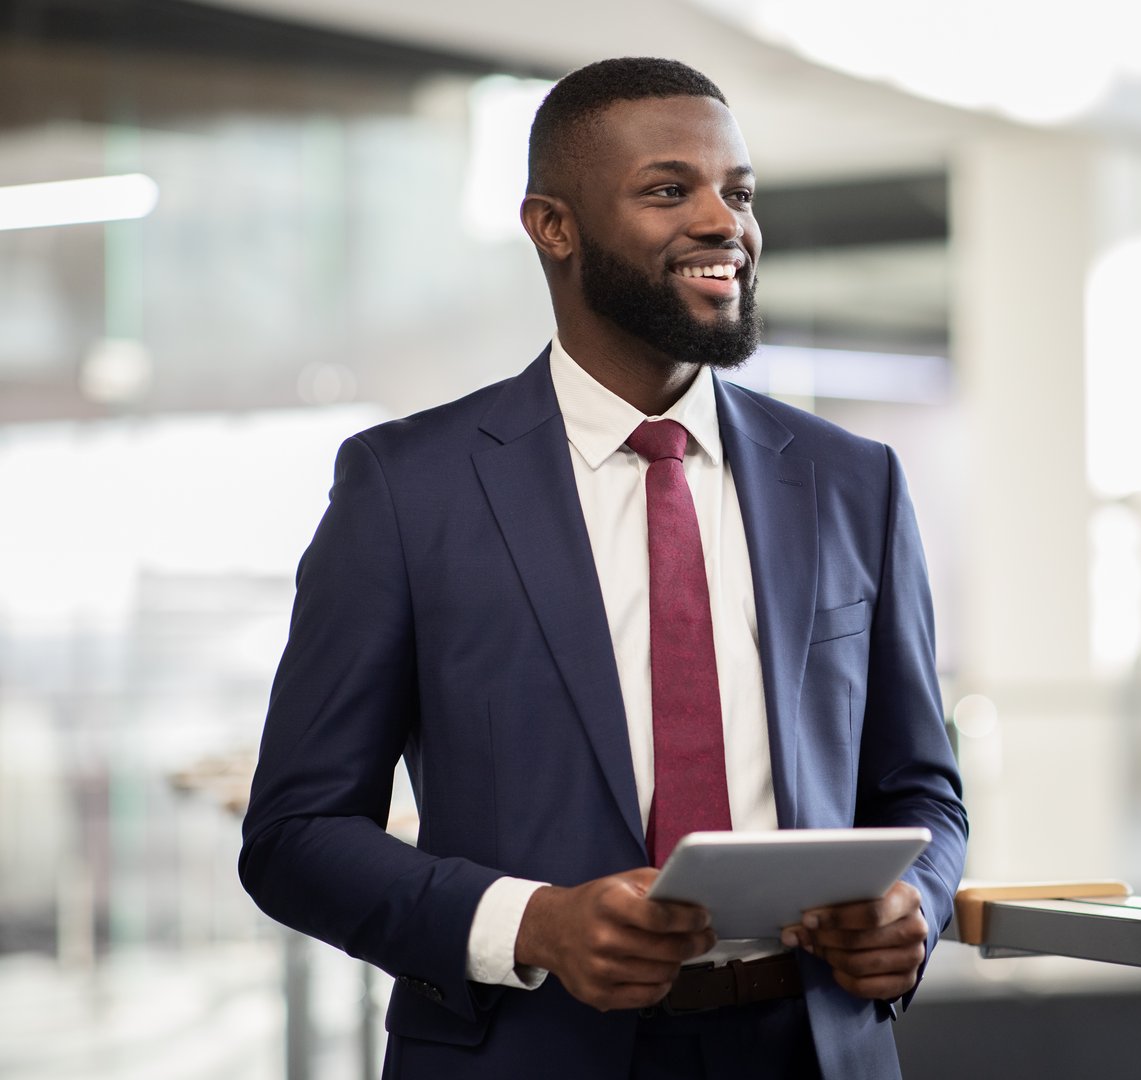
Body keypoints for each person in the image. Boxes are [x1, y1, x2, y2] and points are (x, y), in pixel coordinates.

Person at [239, 56, 966, 1080]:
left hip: (812, 1048)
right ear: (553, 227)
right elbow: (295, 835)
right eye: (670, 190)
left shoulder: (853, 483)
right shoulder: (407, 489)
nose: (724, 222)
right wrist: (533, 924)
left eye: (738, 192)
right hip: (528, 1048)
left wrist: (917, 904)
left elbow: (921, 790)